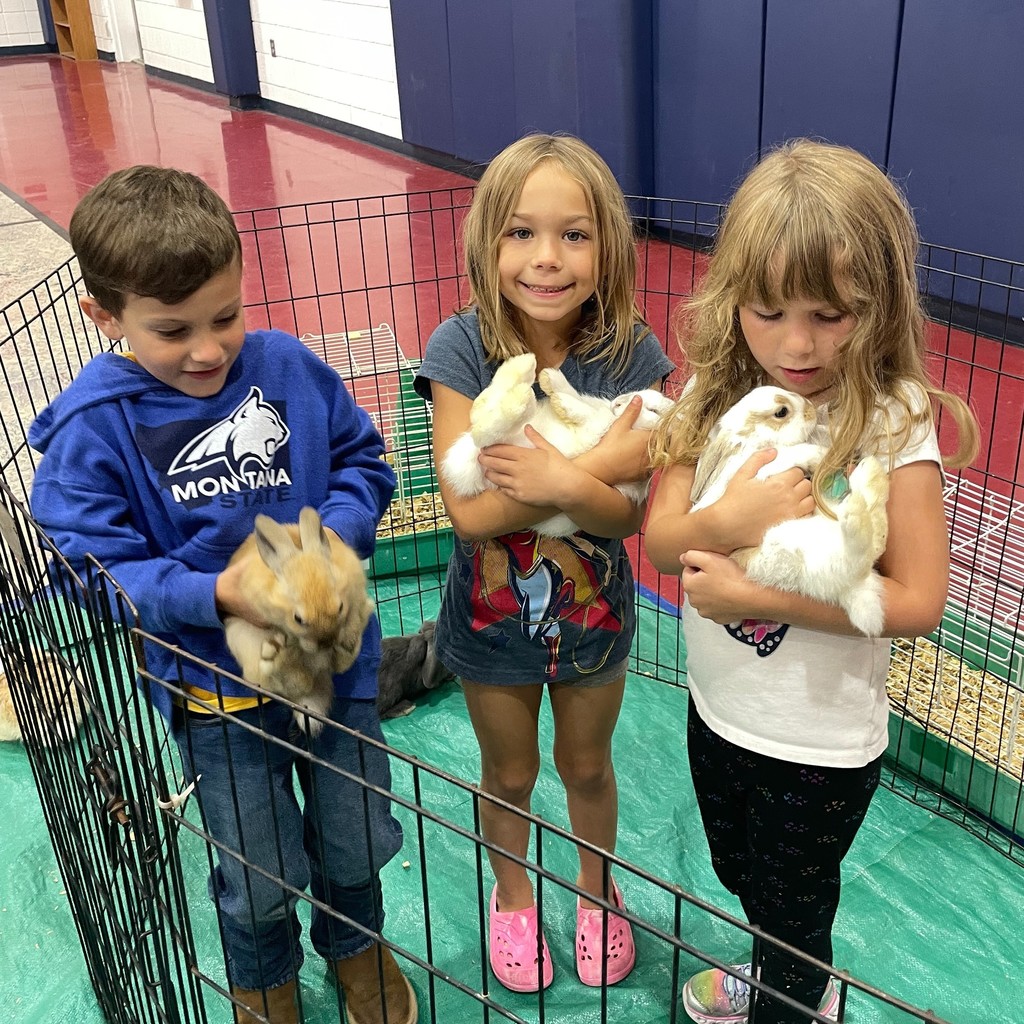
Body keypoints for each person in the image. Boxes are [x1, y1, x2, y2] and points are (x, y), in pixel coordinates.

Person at [28, 166, 418, 1024]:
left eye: (226, 317)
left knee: (356, 830)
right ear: (106, 316)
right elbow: (84, 564)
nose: (208, 350)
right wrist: (213, 593)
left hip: (334, 665)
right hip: (218, 698)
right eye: (172, 331)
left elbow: (364, 461)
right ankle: (262, 981)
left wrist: (334, 539)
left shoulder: (285, 368)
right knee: (256, 864)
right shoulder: (94, 427)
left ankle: (358, 948)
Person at [644, 138, 980, 1024]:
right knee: (740, 873)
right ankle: (776, 970)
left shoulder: (894, 421)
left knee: (797, 912)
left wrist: (758, 598)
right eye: (769, 311)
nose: (797, 343)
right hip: (717, 711)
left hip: (819, 746)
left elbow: (917, 599)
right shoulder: (714, 399)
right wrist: (731, 524)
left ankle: (791, 998)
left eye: (831, 316)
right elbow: (663, 540)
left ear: (880, 305)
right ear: (733, 300)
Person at [414, 133, 674, 992]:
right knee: (510, 771)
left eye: (575, 234)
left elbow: (629, 520)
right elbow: (469, 511)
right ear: (488, 242)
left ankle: (598, 889)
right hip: (492, 631)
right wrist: (594, 469)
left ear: (609, 248)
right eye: (522, 233)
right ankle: (513, 893)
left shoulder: (631, 354)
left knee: (588, 766)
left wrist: (569, 478)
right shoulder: (460, 349)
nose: (547, 259)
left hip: (595, 624)